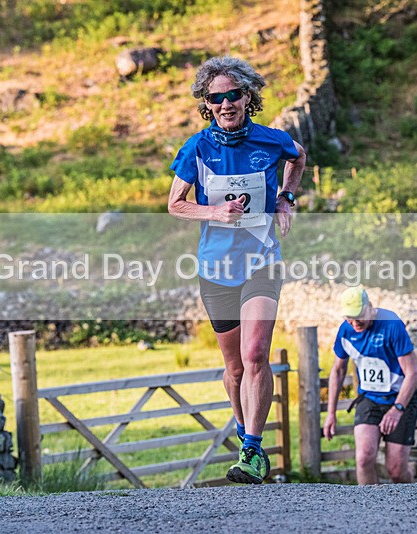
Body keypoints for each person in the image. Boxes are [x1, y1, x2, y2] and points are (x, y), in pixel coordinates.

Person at [167, 56, 306, 484]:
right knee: (234, 368)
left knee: (254, 354)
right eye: (216, 97)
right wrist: (214, 212)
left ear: (248, 96)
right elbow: (175, 204)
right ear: (206, 103)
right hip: (216, 269)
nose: (226, 103)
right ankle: (246, 435)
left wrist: (286, 197)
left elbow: (298, 158)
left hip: (262, 262)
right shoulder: (196, 148)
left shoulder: (272, 140)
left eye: (234, 94)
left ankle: (251, 449)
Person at [323, 286, 417, 484]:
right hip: (369, 398)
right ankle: (368, 511)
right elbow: (338, 371)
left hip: (400, 398)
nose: (355, 322)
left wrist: (397, 409)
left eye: (359, 316)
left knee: (395, 470)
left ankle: (410, 505)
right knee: (364, 458)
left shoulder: (391, 324)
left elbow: (412, 372)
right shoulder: (346, 330)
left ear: (370, 308)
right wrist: (331, 413)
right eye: (349, 318)